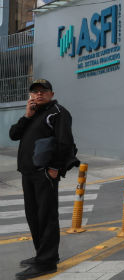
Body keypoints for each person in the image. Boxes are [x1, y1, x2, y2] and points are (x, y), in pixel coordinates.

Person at [9, 79, 76, 279]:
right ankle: (44, 255)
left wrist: (55, 168)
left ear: (51, 93)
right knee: (33, 216)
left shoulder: (58, 113)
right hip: (28, 173)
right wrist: (26, 116)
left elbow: (65, 143)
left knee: (46, 217)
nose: (39, 94)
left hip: (44, 174)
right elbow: (14, 135)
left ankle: (46, 263)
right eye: (35, 92)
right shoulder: (33, 113)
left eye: (43, 91)